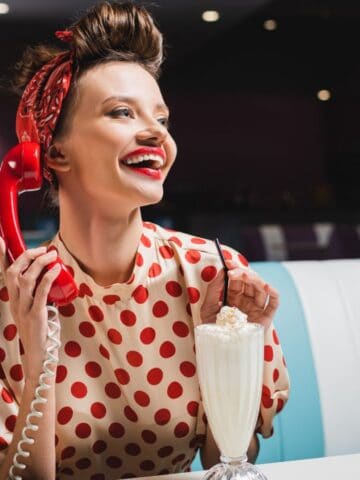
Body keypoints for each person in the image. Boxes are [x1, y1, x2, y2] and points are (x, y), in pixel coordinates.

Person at [0, 2, 290, 479]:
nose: (156, 132)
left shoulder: (209, 271)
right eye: (121, 112)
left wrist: (232, 351)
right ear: (52, 151)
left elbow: (229, 466)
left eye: (162, 118)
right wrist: (39, 363)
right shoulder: (15, 296)